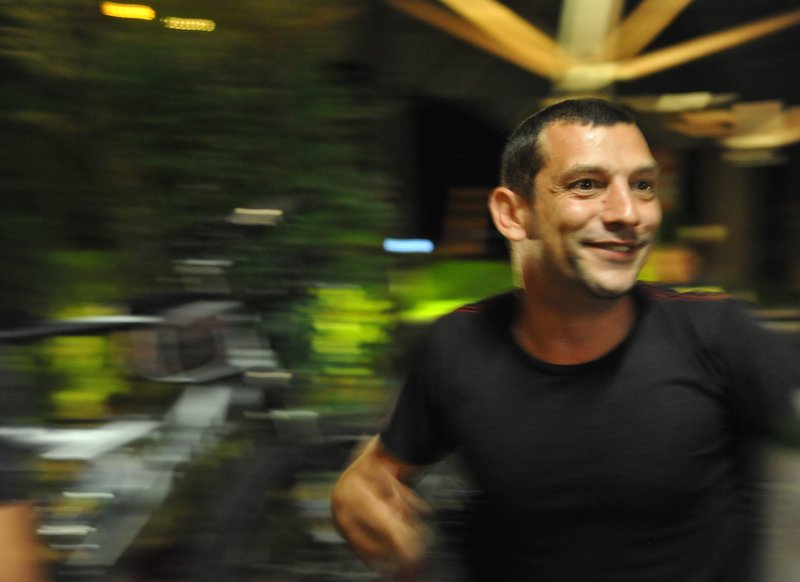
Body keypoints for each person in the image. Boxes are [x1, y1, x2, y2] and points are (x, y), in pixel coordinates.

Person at [330, 98, 800, 581]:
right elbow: (374, 476)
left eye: (643, 186)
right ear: (513, 214)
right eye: (586, 184)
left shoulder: (716, 332)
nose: (628, 213)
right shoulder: (458, 346)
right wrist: (356, 495)